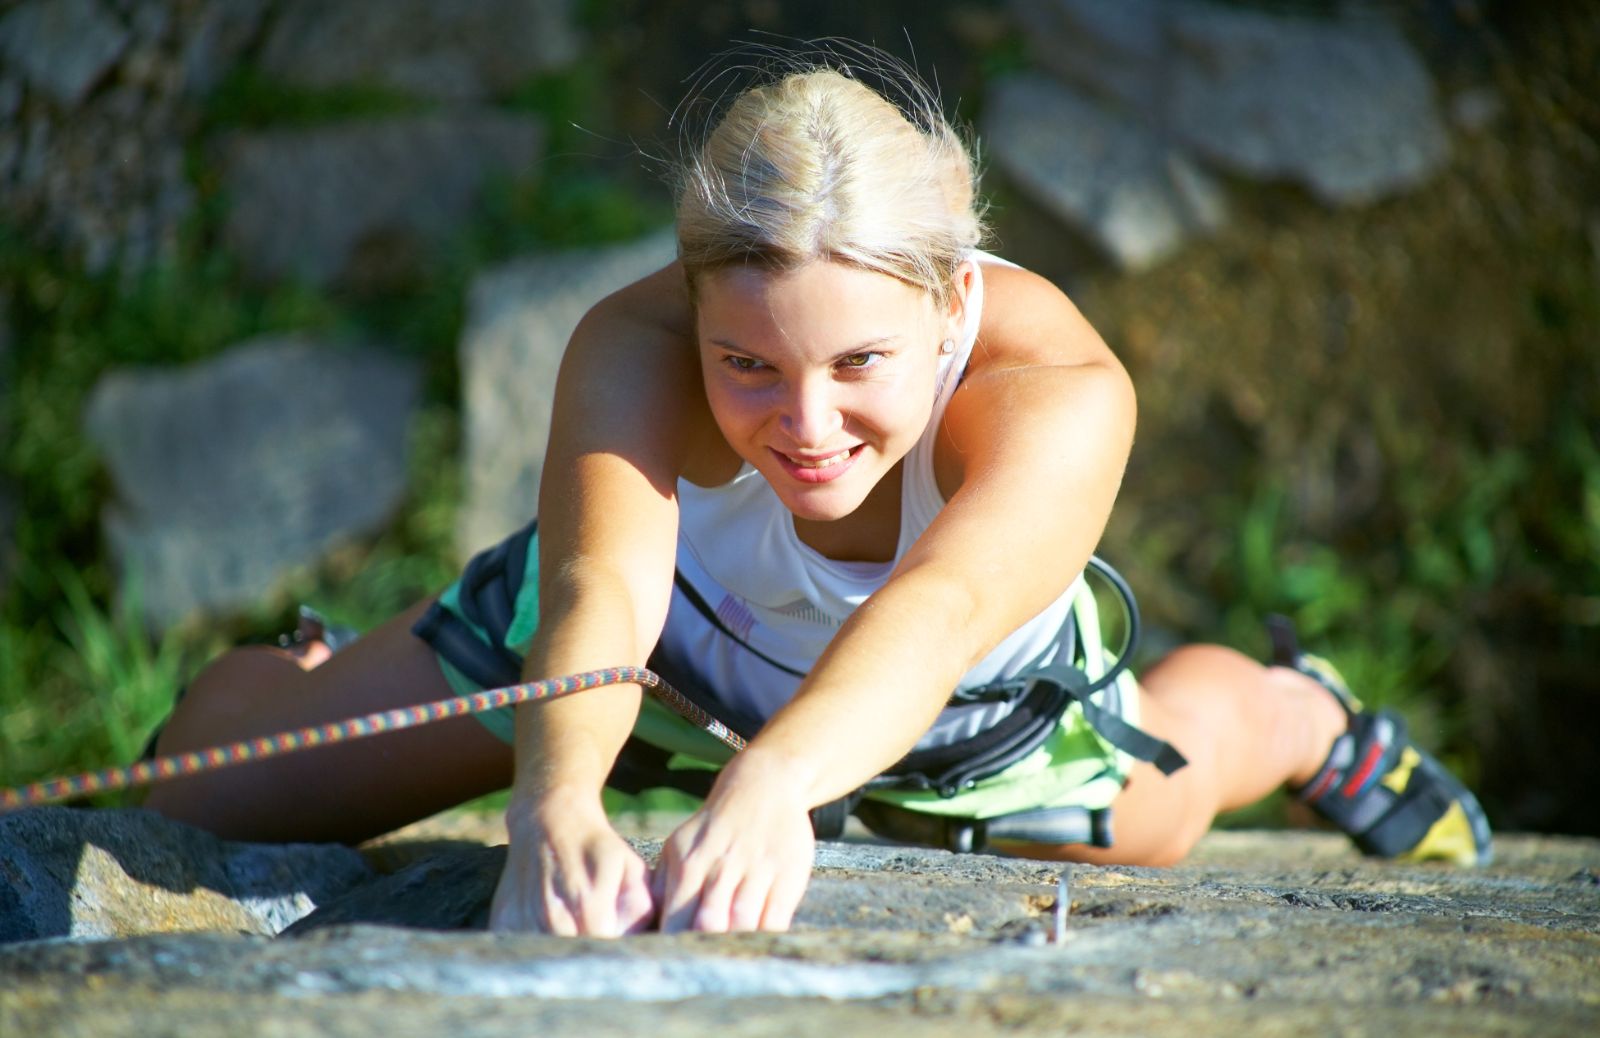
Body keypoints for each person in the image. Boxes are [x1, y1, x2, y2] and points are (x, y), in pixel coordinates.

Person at [144, 52, 1492, 936]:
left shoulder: (1060, 388)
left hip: (965, 706)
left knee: (1149, 823)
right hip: (654, 652)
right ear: (689, 305)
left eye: (861, 364)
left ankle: (1294, 711)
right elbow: (603, 585)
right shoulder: (634, 342)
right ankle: (313, 665)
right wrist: (553, 806)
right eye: (748, 364)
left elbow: (942, 599)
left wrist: (778, 781)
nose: (805, 423)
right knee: (199, 801)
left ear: (952, 299)